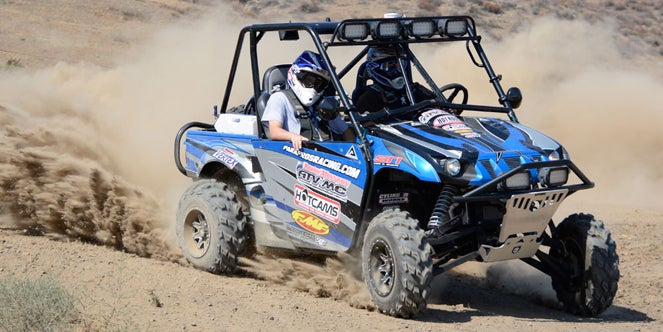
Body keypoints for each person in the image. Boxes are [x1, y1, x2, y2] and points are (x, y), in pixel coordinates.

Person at [262, 50, 355, 150]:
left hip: (329, 156)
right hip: (298, 155)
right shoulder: (279, 98)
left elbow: (346, 132)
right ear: (297, 75)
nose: (312, 87)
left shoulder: (322, 104)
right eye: (308, 81)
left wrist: (351, 149)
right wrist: (292, 137)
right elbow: (274, 131)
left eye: (317, 84)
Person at [353, 46, 435, 114]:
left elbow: (438, 104)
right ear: (375, 68)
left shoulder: (413, 89)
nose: (397, 71)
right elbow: (364, 125)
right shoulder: (370, 97)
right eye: (390, 66)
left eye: (400, 65)